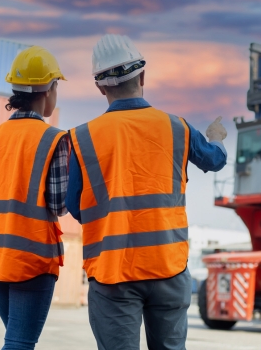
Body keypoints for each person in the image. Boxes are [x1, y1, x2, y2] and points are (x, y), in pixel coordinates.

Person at [67, 34, 228, 350]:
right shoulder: (176, 127)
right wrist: (217, 138)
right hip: (167, 265)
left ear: (100, 87)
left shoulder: (83, 138)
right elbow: (214, 160)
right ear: (142, 76)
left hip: (113, 271)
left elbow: (75, 205)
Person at [0, 46, 69, 350]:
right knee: (20, 343)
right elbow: (59, 204)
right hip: (29, 259)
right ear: (50, 89)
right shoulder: (54, 139)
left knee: (16, 339)